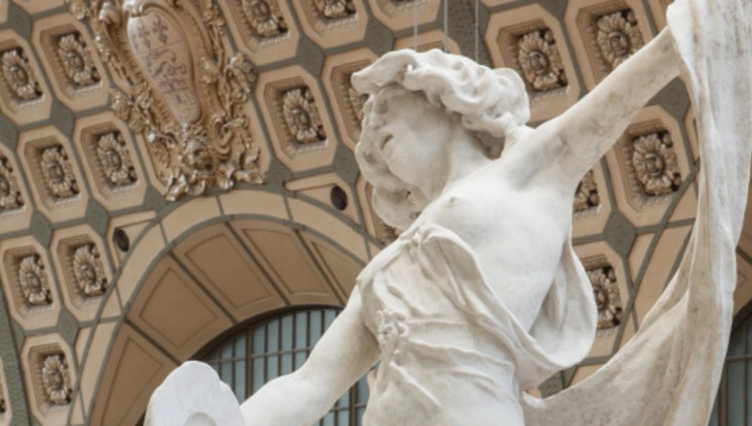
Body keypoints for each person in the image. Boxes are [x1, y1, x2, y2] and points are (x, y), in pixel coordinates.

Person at [240, 24, 683, 426]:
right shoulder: (388, 264)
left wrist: (680, 37)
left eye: (388, 107)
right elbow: (307, 386)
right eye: (372, 135)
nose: (373, 127)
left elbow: (614, 102)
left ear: (442, 99)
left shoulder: (523, 173)